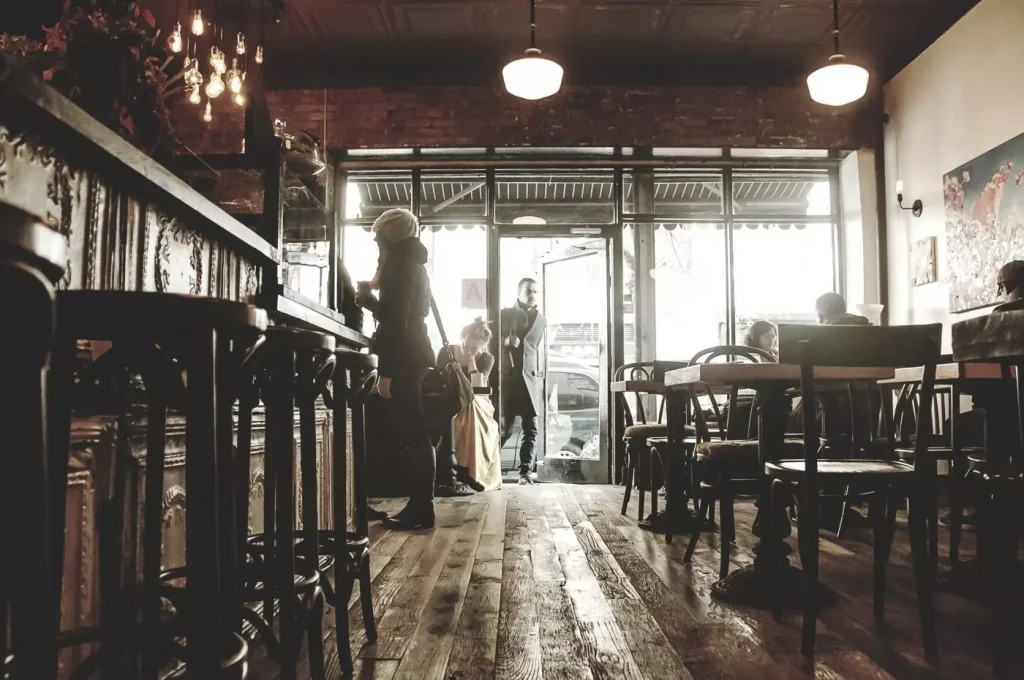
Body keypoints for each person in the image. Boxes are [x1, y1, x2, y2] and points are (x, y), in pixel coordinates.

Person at [355, 208, 436, 529]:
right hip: (413, 355)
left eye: (378, 238)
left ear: (390, 237)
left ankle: (421, 508)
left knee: (414, 434)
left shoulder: (400, 265)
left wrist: (386, 372)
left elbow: (396, 324)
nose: (376, 245)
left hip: (403, 358)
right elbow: (405, 314)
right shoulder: (413, 263)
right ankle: (420, 506)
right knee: (414, 432)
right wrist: (371, 301)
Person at [443, 318, 502, 492]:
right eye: (466, 345)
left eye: (475, 348)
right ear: (462, 338)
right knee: (467, 405)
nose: (469, 350)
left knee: (471, 405)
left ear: (483, 347)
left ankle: (469, 471)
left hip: (478, 399)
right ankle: (463, 469)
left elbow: (478, 387)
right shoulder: (446, 352)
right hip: (451, 396)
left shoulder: (486, 358)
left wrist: (471, 362)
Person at [500, 278, 546, 485]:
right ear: (518, 292)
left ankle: (525, 474)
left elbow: (535, 350)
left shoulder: (541, 320)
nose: (533, 294)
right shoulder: (503, 315)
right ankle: (488, 470)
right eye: (529, 290)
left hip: (530, 382)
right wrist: (504, 341)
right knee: (504, 430)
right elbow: (488, 341)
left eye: (536, 291)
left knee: (531, 429)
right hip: (509, 381)